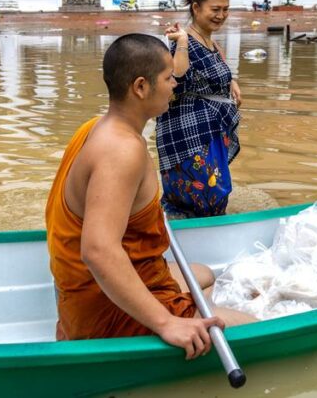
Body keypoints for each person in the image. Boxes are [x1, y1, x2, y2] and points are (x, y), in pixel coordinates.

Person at [45, 34, 254, 358]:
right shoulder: (122, 150)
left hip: (83, 296)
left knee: (204, 274)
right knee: (257, 325)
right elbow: (98, 250)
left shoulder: (94, 127)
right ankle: (179, 317)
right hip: (102, 316)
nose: (175, 85)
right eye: (169, 78)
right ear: (141, 87)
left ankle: (194, 309)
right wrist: (166, 323)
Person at [156, 0, 242, 218]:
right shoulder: (183, 40)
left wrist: (231, 82)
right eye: (215, 9)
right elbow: (177, 79)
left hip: (210, 129)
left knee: (216, 186)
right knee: (205, 189)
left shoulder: (210, 40)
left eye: (225, 9)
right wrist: (182, 41)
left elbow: (217, 68)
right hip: (188, 132)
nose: (221, 15)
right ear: (196, 7)